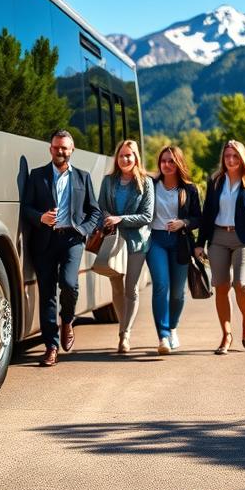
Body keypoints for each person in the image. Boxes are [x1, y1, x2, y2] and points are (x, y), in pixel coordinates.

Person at [22, 130, 101, 367]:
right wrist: (40, 218)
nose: (60, 151)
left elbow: (94, 211)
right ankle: (51, 347)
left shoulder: (83, 177)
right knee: (47, 295)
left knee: (69, 283)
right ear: (50, 149)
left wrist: (83, 230)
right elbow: (26, 207)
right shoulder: (37, 176)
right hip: (44, 242)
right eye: (56, 147)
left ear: (72, 149)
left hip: (72, 240)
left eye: (64, 148)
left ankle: (67, 320)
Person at [194, 139, 245, 355]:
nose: (230, 160)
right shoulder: (215, 181)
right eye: (227, 156)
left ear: (242, 158)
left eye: (235, 156)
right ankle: (226, 334)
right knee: (221, 286)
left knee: (241, 284)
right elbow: (207, 213)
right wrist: (200, 243)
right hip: (219, 237)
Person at [97, 140, 154, 354]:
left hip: (137, 241)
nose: (125, 159)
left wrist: (120, 218)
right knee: (116, 286)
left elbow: (147, 216)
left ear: (136, 157)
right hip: (113, 240)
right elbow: (100, 206)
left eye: (129, 155)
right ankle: (123, 329)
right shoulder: (108, 181)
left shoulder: (145, 182)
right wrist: (106, 218)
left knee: (131, 287)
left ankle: (125, 334)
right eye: (121, 155)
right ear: (117, 158)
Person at [145, 144, 201, 354]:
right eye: (163, 161)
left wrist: (183, 222)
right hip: (156, 241)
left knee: (178, 292)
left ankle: (173, 327)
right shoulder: (151, 184)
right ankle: (163, 336)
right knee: (161, 285)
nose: (166, 165)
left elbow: (198, 218)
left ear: (178, 163)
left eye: (171, 161)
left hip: (180, 243)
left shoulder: (189, 189)